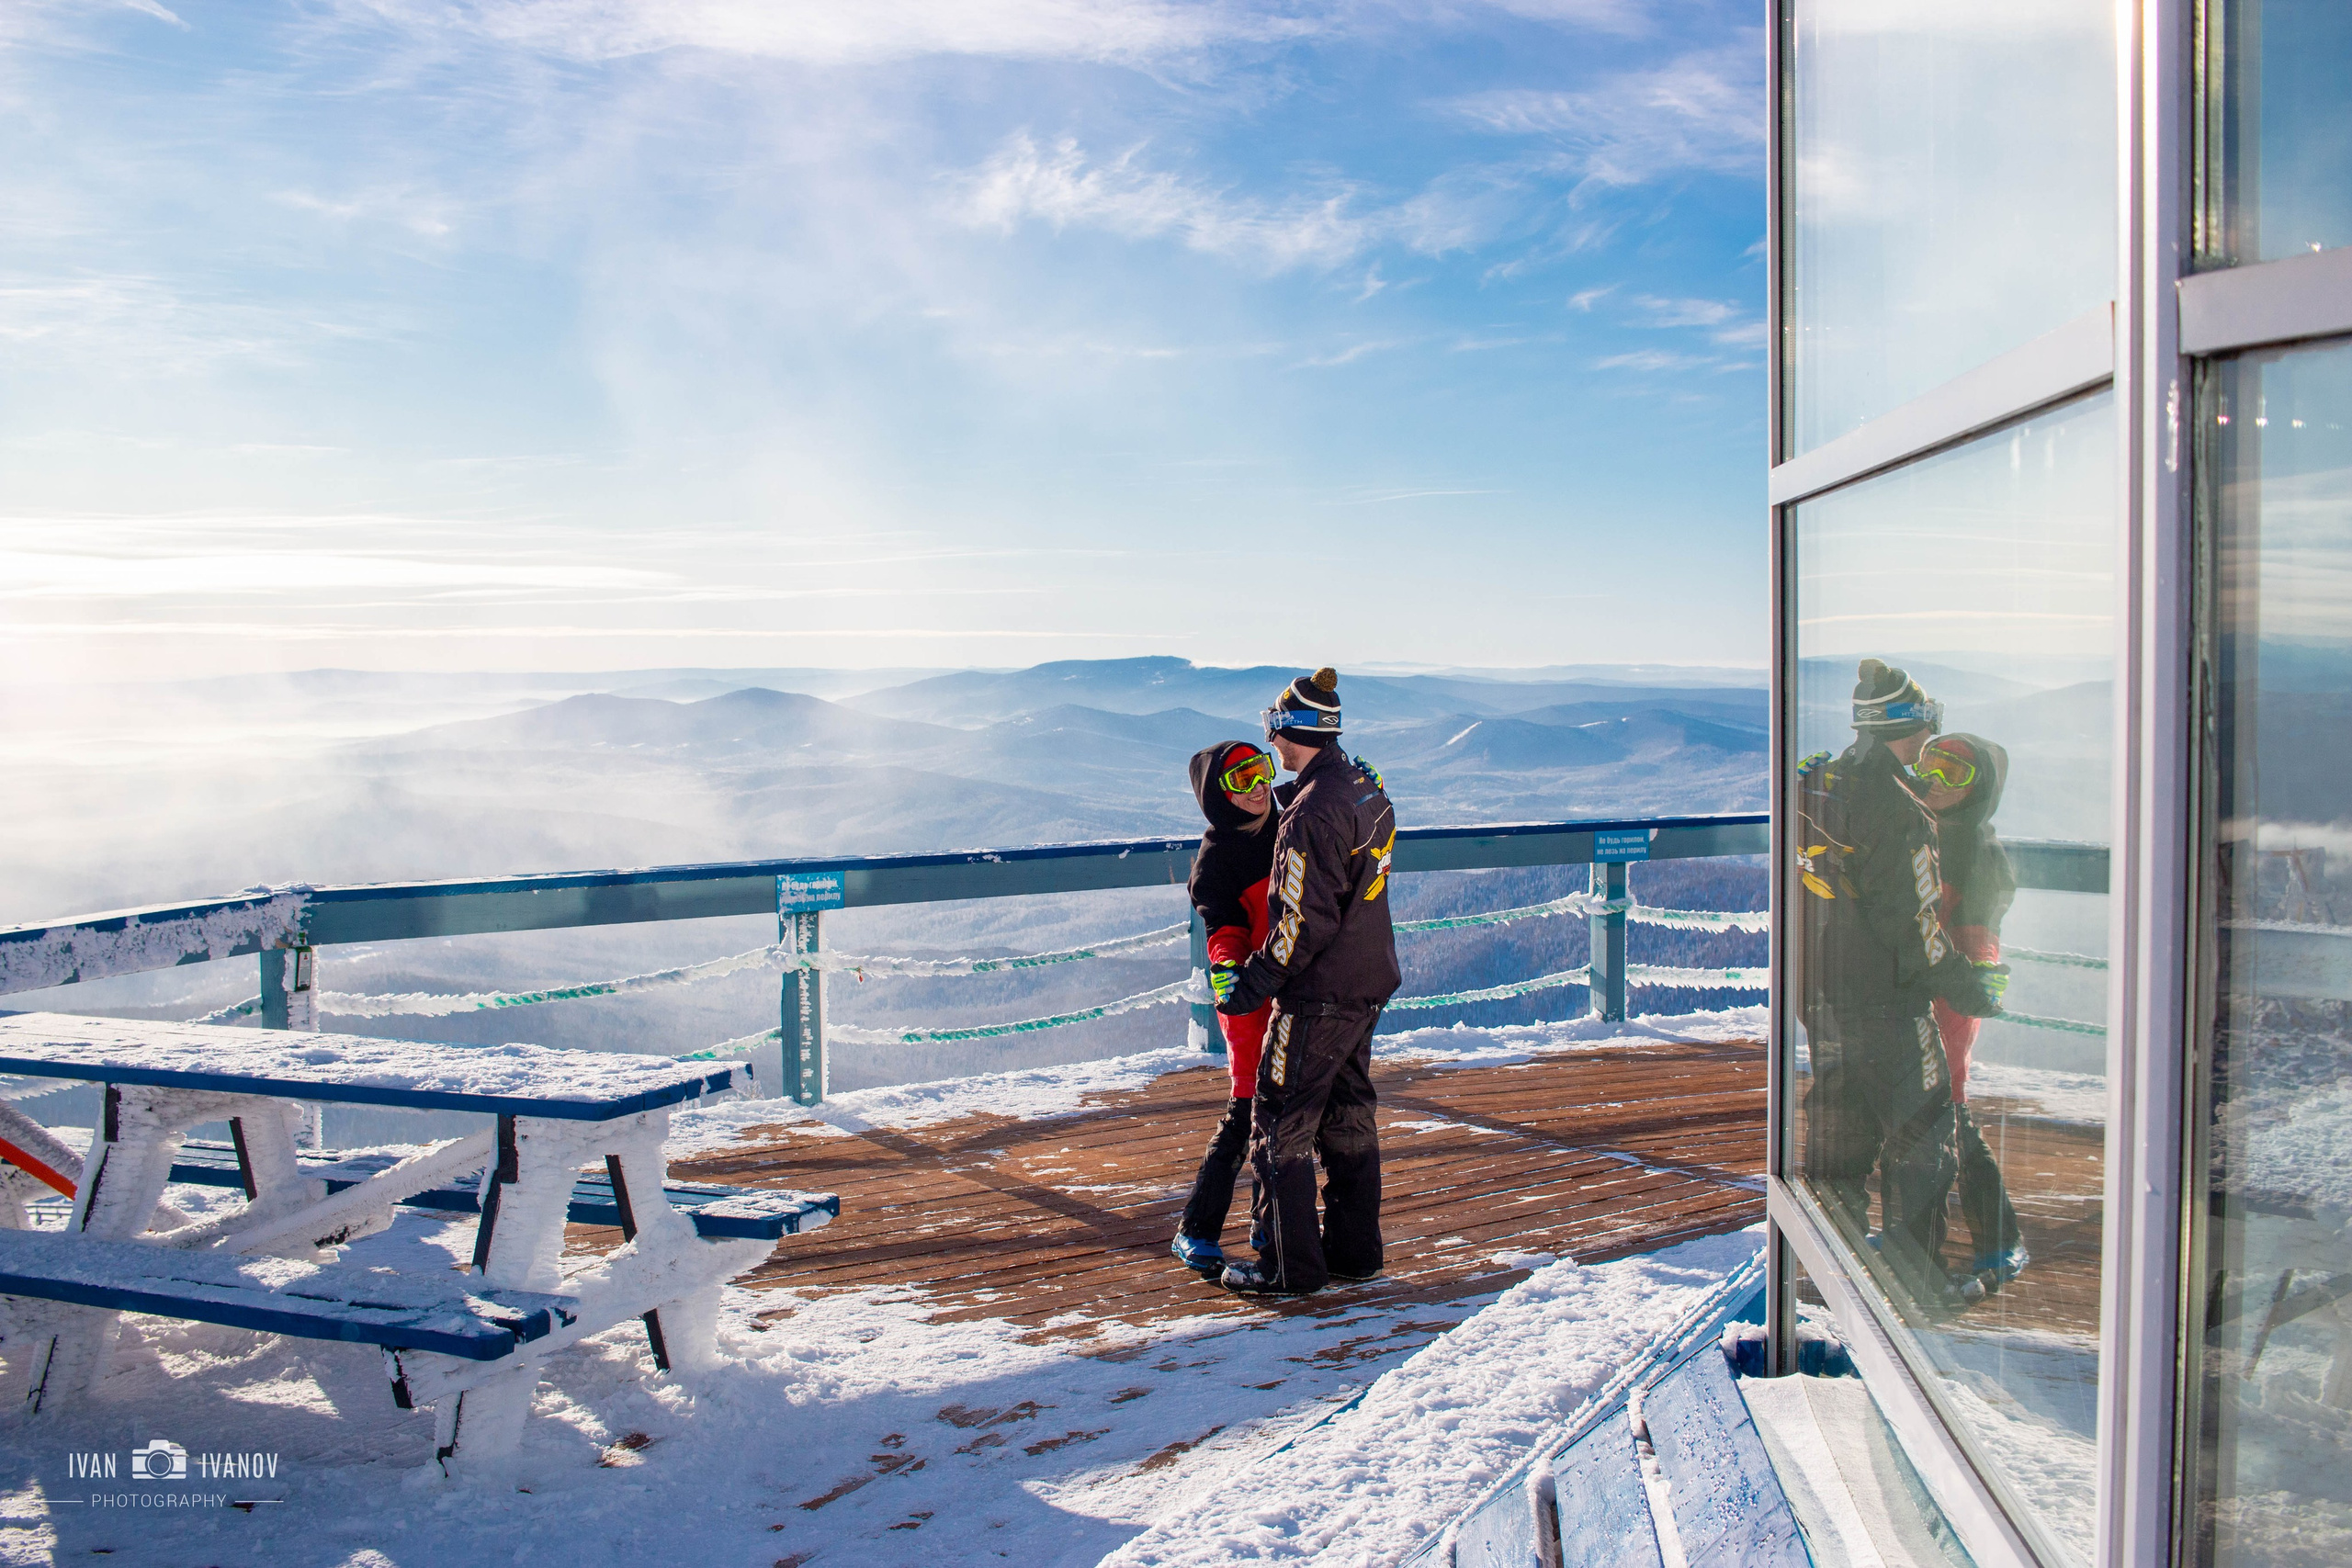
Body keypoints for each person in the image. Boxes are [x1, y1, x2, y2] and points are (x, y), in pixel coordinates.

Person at [1792, 659, 2007, 1309]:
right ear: (1908, 724)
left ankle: (1833, 1280)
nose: (1930, 742)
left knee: (1838, 1140)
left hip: (1821, 989)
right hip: (1887, 999)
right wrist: (1965, 985)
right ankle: (1911, 1289)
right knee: (1924, 1142)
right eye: (1926, 722)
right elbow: (1911, 923)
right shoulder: (1900, 807)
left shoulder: (1821, 782)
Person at [1210, 668, 1400, 1296]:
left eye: (1273, 726)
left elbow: (1300, 924)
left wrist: (1252, 983)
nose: (1270, 744)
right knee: (1348, 1116)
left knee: (1279, 1122)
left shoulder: (1307, 815)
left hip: (1319, 992)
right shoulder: (1361, 785)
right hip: (1367, 979)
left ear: (1291, 730)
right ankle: (1356, 1253)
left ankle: (1289, 1269)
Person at [1910, 732, 2029, 1291]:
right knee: (1928, 1105)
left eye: (1955, 773)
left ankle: (2000, 1237)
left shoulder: (1972, 847)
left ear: (1978, 789)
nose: (1936, 779)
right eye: (1932, 763)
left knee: (1948, 1104)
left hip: (1954, 984)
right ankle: (1928, 1233)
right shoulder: (1941, 831)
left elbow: (1957, 928)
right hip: (1934, 978)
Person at [1170, 739, 1281, 1278]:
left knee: (1287, 1109)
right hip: (1247, 998)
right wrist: (1227, 969)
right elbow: (1222, 926)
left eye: (1261, 771)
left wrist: (1361, 786)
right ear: (1218, 795)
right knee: (1247, 1112)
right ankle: (1197, 1228)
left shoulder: (1287, 816)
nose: (1258, 787)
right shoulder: (1217, 859)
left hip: (1289, 988)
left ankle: (1268, 1220)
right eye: (1241, 781)